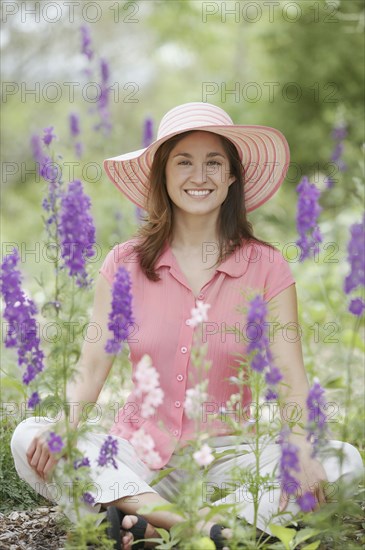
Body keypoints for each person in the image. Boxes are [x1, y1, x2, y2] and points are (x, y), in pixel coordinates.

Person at [11, 102, 363, 550]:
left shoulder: (267, 266)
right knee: (30, 436)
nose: (200, 176)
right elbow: (93, 366)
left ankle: (142, 523)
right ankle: (206, 531)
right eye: (184, 162)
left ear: (232, 176)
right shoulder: (125, 263)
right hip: (135, 455)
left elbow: (292, 378)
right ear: (163, 174)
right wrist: (65, 423)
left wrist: (305, 449)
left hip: (227, 460)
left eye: (214, 162)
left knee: (344, 461)